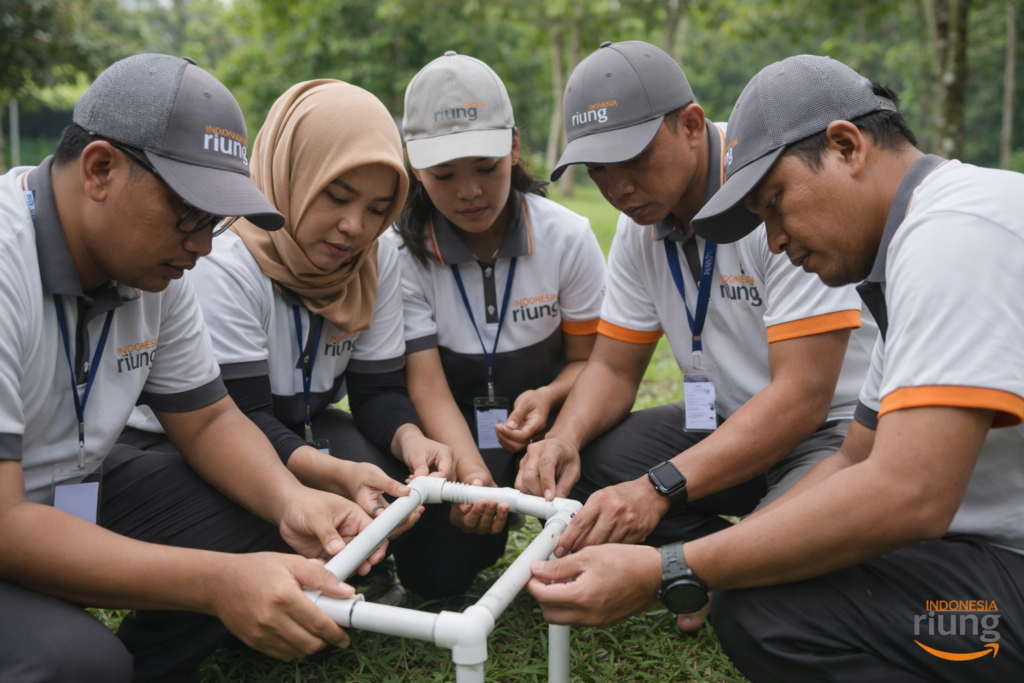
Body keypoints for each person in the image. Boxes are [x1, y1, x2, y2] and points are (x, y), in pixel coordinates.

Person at [529, 55, 1024, 682]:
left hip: (996, 567)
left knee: (769, 613)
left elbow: (908, 492)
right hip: (970, 545)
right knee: (757, 591)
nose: (775, 242)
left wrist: (674, 566)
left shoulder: (952, 238)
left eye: (775, 205)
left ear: (846, 147)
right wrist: (705, 556)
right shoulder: (905, 255)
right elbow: (854, 460)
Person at [0, 55, 387, 683]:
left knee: (270, 528)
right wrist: (217, 583)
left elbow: (207, 420)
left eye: (216, 220)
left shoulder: (153, 268)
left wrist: (293, 501)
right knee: (75, 663)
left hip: (71, 486)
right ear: (100, 169)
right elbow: (7, 523)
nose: (205, 245)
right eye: (190, 213)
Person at [517, 40, 876, 630]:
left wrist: (657, 490)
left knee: (764, 602)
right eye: (598, 169)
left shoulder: (779, 186)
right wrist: (564, 438)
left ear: (689, 125)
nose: (617, 186)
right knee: (588, 475)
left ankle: (712, 568)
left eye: (631, 158)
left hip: (831, 431)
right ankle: (708, 561)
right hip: (726, 421)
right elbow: (611, 369)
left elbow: (802, 398)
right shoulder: (642, 226)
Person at [123, 79, 438, 605]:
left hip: (297, 425)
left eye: (379, 209)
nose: (354, 227)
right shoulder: (222, 258)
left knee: (387, 476)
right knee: (267, 507)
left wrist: (414, 442)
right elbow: (237, 418)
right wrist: (332, 474)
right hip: (193, 438)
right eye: (336, 196)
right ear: (290, 173)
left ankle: (353, 570)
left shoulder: (375, 259)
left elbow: (378, 392)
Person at [387, 51, 607, 596]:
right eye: (444, 174)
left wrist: (551, 397)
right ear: (415, 165)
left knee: (607, 526)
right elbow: (427, 385)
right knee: (434, 576)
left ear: (513, 146)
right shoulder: (399, 253)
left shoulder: (567, 235)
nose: (469, 192)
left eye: (486, 167)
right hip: (458, 436)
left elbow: (591, 363)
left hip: (553, 430)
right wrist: (472, 479)